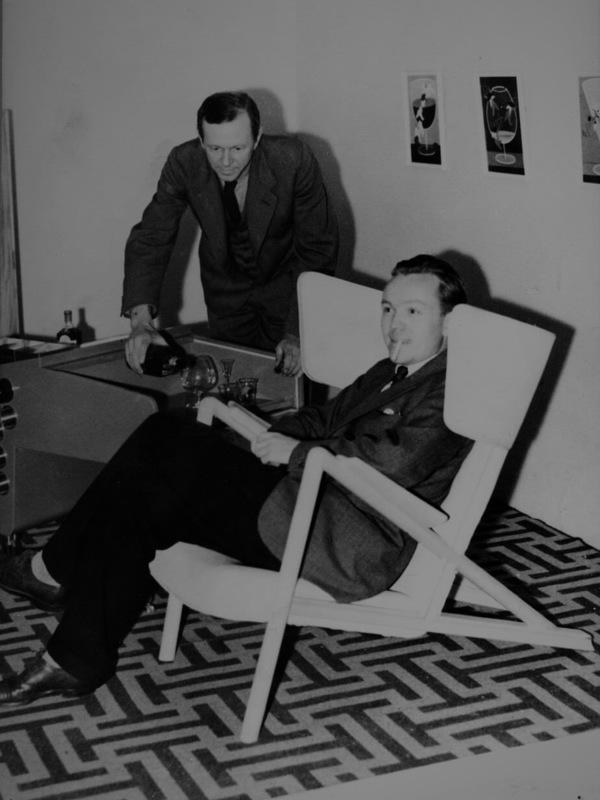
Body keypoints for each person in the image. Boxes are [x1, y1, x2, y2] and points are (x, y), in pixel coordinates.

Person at [0, 255, 472, 706]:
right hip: (308, 502)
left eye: (413, 311)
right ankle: (72, 654)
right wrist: (270, 432)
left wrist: (296, 452)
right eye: (388, 309)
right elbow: (321, 418)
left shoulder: (455, 391)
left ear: (450, 323)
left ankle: (54, 574)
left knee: (166, 445)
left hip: (344, 541)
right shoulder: (388, 371)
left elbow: (391, 465)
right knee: (147, 488)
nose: (395, 324)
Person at [122, 91, 339, 378]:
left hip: (288, 290)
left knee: (292, 390)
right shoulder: (183, 162)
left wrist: (298, 332)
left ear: (257, 138)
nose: (225, 162)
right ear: (201, 141)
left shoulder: (292, 159)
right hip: (226, 293)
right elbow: (151, 237)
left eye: (238, 149)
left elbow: (317, 249)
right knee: (235, 383)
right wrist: (141, 321)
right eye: (214, 149)